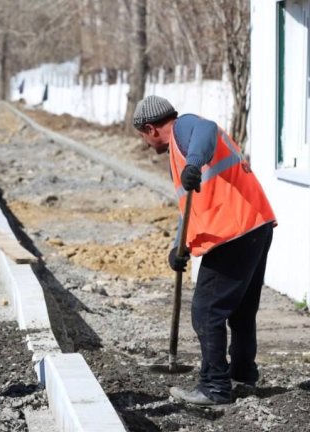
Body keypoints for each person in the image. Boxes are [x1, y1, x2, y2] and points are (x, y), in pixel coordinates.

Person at [132, 96, 276, 406]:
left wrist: (194, 162)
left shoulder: (185, 128)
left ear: (150, 129)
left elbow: (206, 128)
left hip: (233, 233)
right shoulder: (180, 152)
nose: (145, 145)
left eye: (143, 137)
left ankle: (214, 387)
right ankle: (242, 377)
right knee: (240, 312)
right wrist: (178, 247)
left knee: (207, 312)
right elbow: (191, 205)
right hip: (255, 225)